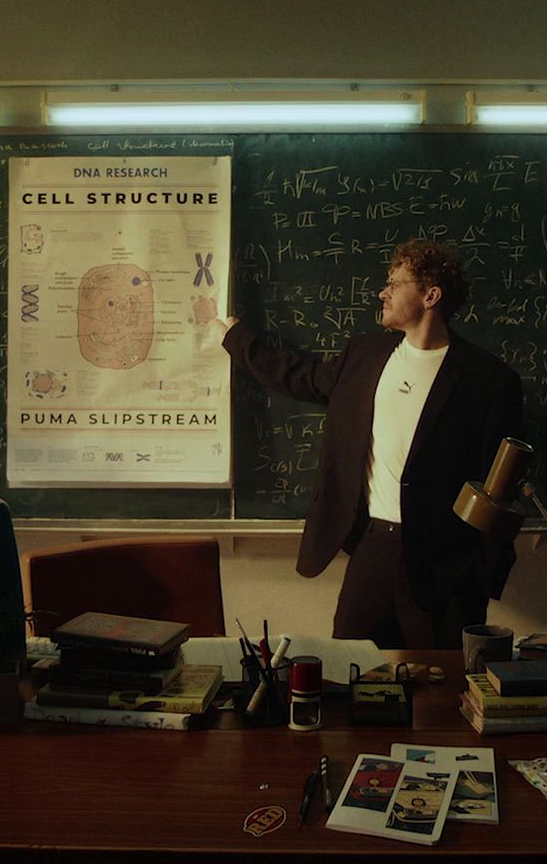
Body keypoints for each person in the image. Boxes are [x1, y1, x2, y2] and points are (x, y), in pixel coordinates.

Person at [218, 239, 523, 648]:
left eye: (395, 284)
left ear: (431, 296)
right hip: (373, 545)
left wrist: (480, 573)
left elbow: (500, 487)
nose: (383, 292)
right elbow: (301, 376)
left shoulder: (488, 380)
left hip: (442, 561)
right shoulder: (364, 355)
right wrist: (236, 338)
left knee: (442, 687)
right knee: (351, 667)